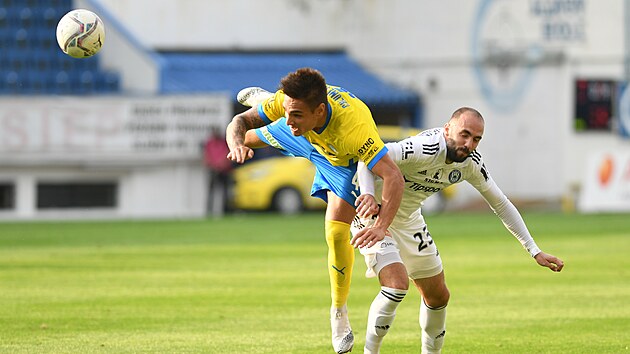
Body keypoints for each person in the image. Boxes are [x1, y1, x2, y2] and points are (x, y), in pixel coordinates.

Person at [350, 107, 565, 353]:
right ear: (447, 129)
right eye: (464, 134)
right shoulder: (425, 147)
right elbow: (369, 157)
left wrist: (534, 250)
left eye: (476, 139)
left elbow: (501, 204)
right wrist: (367, 194)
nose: (469, 144)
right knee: (396, 286)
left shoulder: (471, 164)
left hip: (409, 220)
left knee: (438, 296)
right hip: (374, 215)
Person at [225, 68, 404, 353]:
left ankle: (338, 313)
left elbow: (394, 176)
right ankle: (265, 100)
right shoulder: (292, 114)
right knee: (247, 138)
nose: (288, 120)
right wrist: (235, 143)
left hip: (339, 160)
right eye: (286, 111)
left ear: (320, 111)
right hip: (305, 136)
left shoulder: (353, 129)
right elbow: (239, 122)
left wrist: (381, 227)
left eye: (295, 113)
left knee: (335, 232)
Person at [203, 126, 233, 217]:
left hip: (224, 171)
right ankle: (209, 212)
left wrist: (222, 164)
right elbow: (207, 156)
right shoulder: (209, 143)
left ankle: (225, 211)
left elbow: (227, 155)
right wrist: (214, 165)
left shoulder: (224, 143)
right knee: (211, 192)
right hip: (213, 170)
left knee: (225, 192)